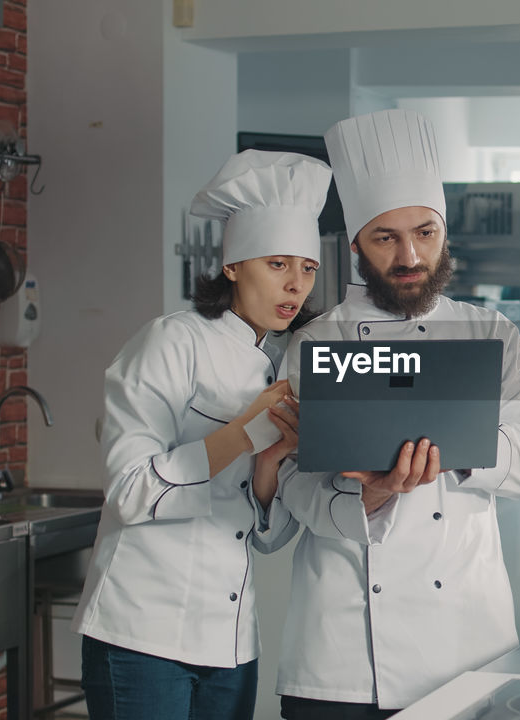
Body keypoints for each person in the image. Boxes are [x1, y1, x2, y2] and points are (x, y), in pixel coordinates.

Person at [273, 109, 520, 719]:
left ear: (444, 233)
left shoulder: (491, 332)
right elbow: (292, 488)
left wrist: (455, 448)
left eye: (425, 233)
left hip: (468, 645)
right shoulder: (312, 345)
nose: (410, 255)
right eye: (386, 238)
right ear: (355, 244)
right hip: (345, 662)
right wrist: (371, 496)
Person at [72, 150, 331, 720]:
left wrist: (268, 470)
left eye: (307, 269)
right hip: (143, 633)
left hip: (231, 642)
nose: (295, 284)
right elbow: (131, 490)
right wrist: (242, 433)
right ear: (234, 266)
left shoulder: (282, 362)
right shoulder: (169, 343)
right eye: (278, 264)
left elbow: (263, 538)